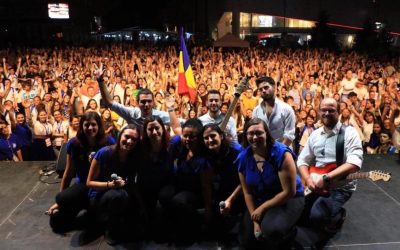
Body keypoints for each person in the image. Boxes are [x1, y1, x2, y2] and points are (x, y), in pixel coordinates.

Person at [297, 97, 363, 233]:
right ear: (319, 111)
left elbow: (354, 163)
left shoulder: (350, 133)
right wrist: (308, 179)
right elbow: (302, 161)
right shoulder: (315, 135)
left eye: (331, 110)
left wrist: (327, 178)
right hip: (316, 183)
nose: (327, 113)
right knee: (297, 216)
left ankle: (339, 215)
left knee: (318, 217)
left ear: (338, 112)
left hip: (339, 187)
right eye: (324, 110)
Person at [236, 118, 304, 249]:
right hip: (262, 196)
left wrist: (262, 208)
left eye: (259, 133)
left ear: (267, 133)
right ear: (245, 135)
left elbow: (289, 192)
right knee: (246, 240)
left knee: (272, 231)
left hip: (288, 199)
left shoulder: (281, 154)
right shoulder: (243, 157)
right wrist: (255, 220)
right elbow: (247, 192)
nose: (255, 137)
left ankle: (290, 232)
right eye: (250, 133)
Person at [46, 112, 115, 234]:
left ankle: (93, 211)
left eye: (93, 125)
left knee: (96, 221)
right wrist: (60, 203)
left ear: (99, 126)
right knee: (56, 220)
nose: (89, 128)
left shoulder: (108, 141)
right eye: (86, 125)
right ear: (81, 126)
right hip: (83, 185)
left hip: (101, 186)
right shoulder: (74, 143)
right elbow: (68, 171)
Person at [87, 124, 141, 245]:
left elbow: (130, 181)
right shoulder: (104, 153)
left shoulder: (132, 157)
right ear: (120, 135)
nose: (129, 141)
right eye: (126, 136)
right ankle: (109, 228)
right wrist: (110, 185)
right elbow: (89, 182)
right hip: (99, 196)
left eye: (134, 139)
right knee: (117, 196)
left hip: (117, 194)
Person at [201, 123, 244, 241]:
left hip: (243, 189)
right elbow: (206, 182)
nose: (209, 140)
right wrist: (208, 208)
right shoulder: (207, 153)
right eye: (206, 138)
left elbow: (245, 180)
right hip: (224, 186)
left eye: (213, 136)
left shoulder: (236, 150)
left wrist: (231, 199)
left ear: (221, 136)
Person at [98, 74, 170, 131]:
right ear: (138, 103)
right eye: (143, 102)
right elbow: (110, 103)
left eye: (149, 101)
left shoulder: (160, 115)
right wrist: (100, 81)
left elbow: (180, 123)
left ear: (153, 102)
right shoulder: (131, 113)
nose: (146, 104)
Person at [252, 76, 296, 146]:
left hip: (282, 152)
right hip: (263, 152)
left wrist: (278, 153)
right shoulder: (256, 111)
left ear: (274, 87)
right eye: (260, 89)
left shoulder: (287, 109)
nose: (263, 90)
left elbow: (289, 136)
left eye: (266, 87)